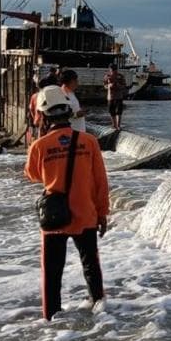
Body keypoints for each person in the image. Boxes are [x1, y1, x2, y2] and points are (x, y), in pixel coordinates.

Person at [24, 85, 110, 321]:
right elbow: (100, 181)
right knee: (91, 266)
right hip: (86, 213)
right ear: (68, 112)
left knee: (52, 273)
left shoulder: (38, 146)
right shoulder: (89, 141)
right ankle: (100, 310)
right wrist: (103, 213)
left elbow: (33, 175)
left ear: (42, 115)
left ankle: (51, 319)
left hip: (55, 217)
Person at [103, 64, 127, 130]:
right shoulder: (107, 76)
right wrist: (109, 86)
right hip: (110, 97)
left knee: (119, 111)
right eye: (112, 70)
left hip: (119, 96)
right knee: (111, 111)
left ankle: (118, 126)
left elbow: (124, 86)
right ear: (110, 69)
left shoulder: (120, 76)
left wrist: (117, 85)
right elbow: (104, 85)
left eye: (114, 70)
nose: (113, 72)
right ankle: (114, 125)